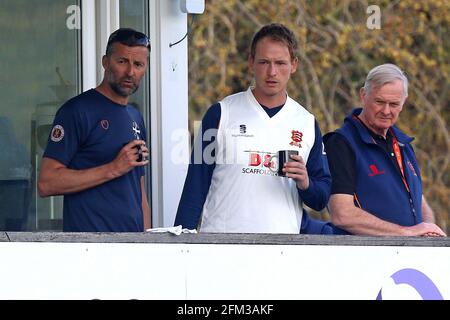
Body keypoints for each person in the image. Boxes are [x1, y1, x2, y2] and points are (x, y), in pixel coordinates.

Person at [174, 23, 331, 233]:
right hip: (222, 247)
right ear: (251, 63)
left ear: (294, 65)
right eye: (264, 62)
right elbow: (195, 186)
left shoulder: (307, 122)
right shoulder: (221, 113)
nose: (272, 72)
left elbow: (321, 198)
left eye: (280, 63)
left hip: (283, 250)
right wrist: (180, 244)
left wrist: (305, 183)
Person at [38, 28, 151, 232]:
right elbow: (47, 182)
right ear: (105, 62)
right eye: (122, 61)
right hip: (90, 250)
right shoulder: (76, 111)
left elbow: (139, 191)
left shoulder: (136, 117)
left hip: (132, 250)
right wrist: (113, 168)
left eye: (138, 64)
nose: (130, 72)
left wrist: (148, 243)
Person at [324, 63, 446, 237]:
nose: (386, 111)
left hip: (408, 260)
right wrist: (406, 232)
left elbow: (419, 202)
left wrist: (428, 230)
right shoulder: (341, 143)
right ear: (363, 95)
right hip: (364, 258)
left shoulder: (404, 145)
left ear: (403, 103)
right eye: (379, 102)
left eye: (394, 104)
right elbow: (342, 214)